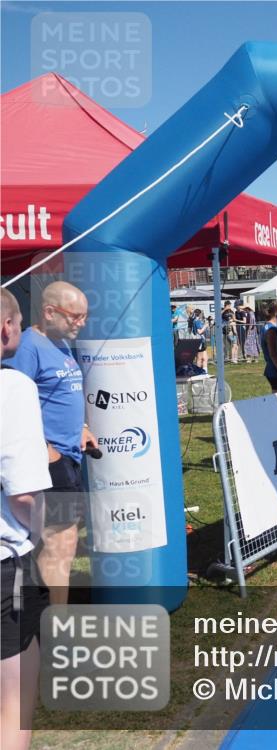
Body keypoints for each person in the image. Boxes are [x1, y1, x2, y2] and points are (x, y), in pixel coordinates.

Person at [4, 282, 96, 606]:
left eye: (85, 316)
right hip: (50, 461)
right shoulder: (28, 347)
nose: (81, 323)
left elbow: (60, 394)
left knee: (58, 543)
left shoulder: (61, 343)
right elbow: (11, 403)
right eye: (75, 316)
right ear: (49, 311)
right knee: (61, 543)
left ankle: (43, 619)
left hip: (67, 455)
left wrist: (82, 427)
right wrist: (47, 450)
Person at [1, 288, 51, 750]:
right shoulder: (12, 387)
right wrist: (38, 534)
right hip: (6, 561)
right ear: (6, 327)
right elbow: (23, 493)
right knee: (12, 708)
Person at [260, 302, 277, 392]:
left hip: (273, 368)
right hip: (275, 370)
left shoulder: (267, 327)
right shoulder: (271, 330)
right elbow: (273, 354)